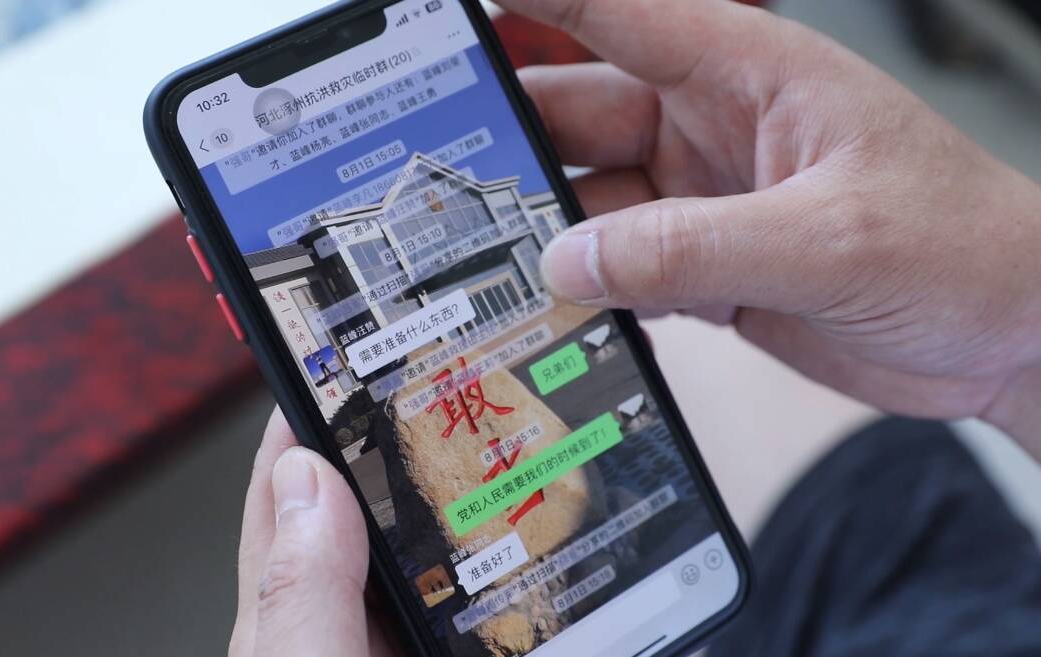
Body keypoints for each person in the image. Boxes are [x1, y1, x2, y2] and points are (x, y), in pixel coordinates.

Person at [228, 1, 1041, 655]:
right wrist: (1016, 359)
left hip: (864, 569)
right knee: (679, 347)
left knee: (664, 342)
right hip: (906, 571)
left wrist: (1014, 355)